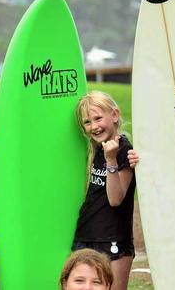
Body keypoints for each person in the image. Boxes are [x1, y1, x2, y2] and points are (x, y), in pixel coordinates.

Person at [71, 91, 137, 290]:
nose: (94, 126)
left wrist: (111, 160)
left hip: (113, 240)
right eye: (87, 122)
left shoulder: (123, 150)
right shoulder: (96, 148)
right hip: (85, 236)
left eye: (98, 118)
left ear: (114, 115)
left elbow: (115, 198)